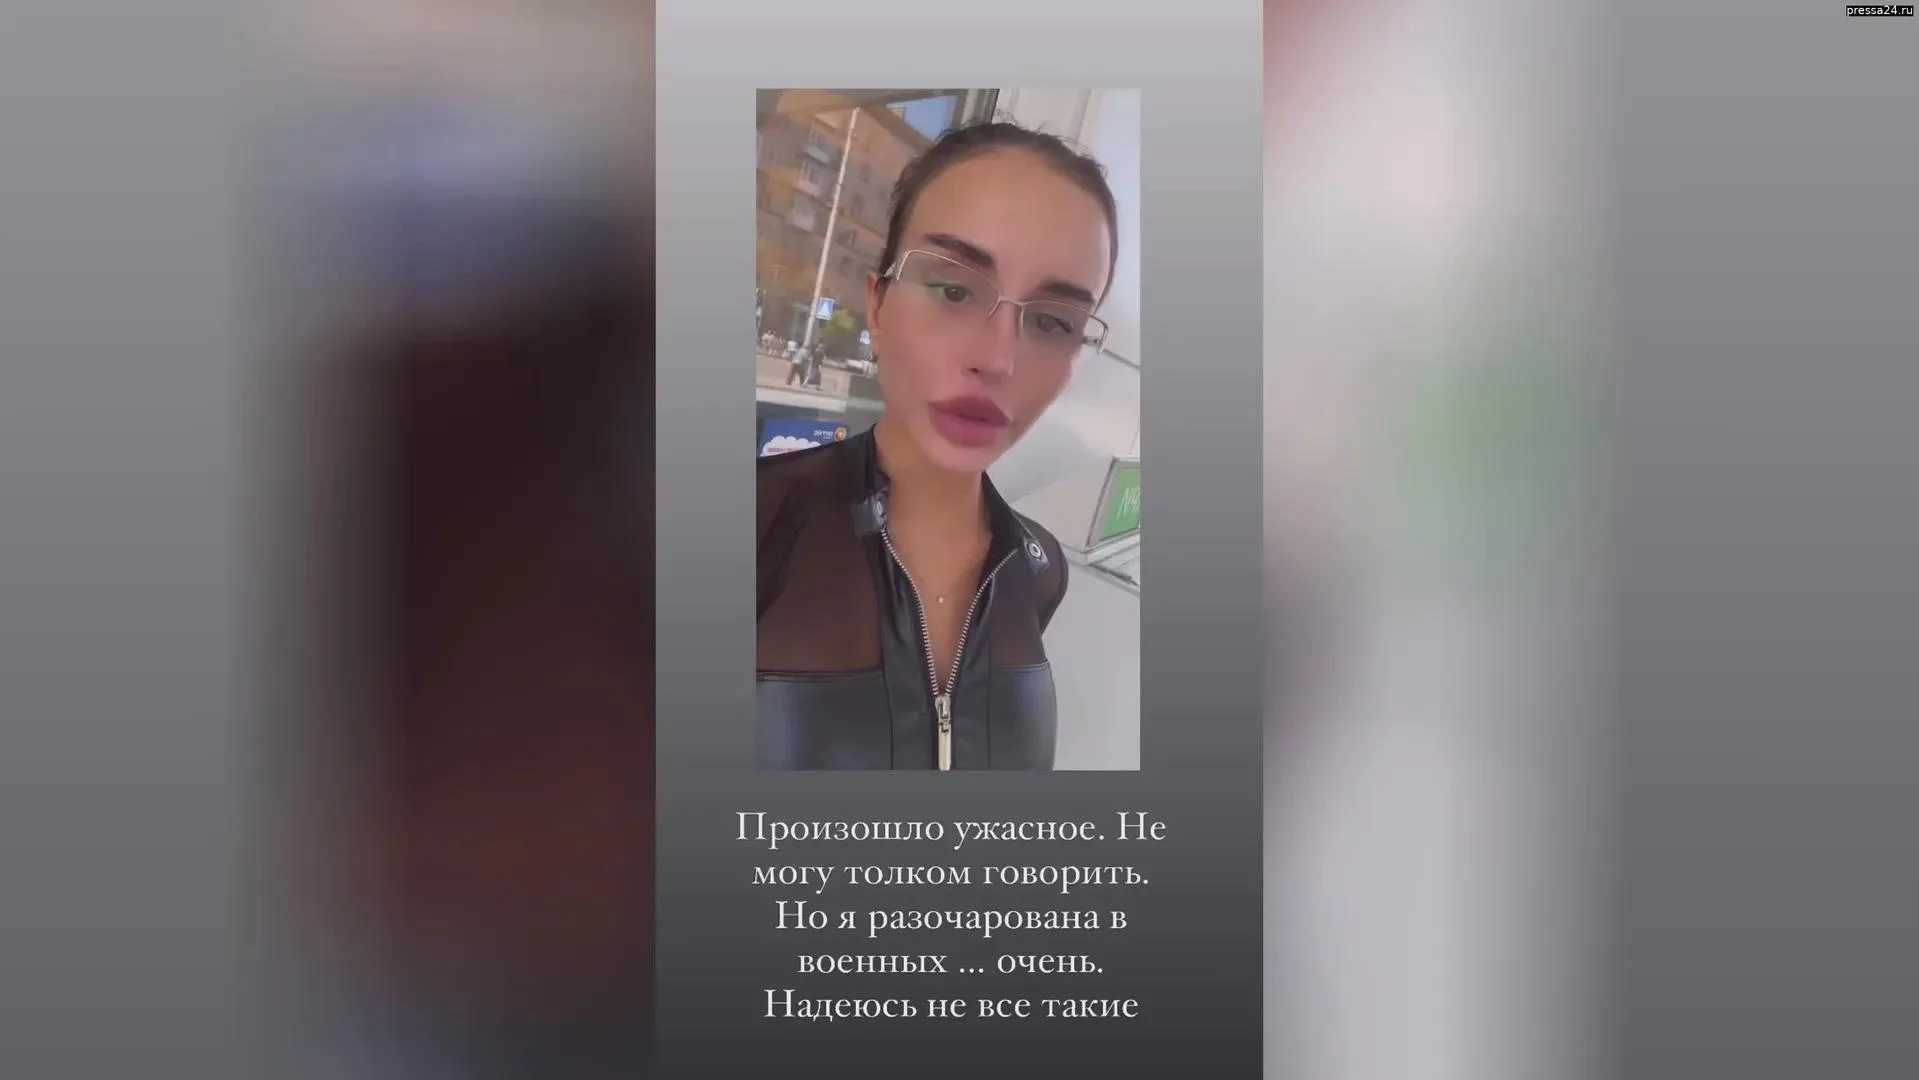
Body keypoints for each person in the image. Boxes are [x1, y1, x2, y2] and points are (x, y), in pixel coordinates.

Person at [756, 119, 1117, 770]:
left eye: (1052, 322)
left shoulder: (1037, 571)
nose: (998, 359)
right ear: (878, 306)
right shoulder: (751, 526)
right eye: (953, 290)